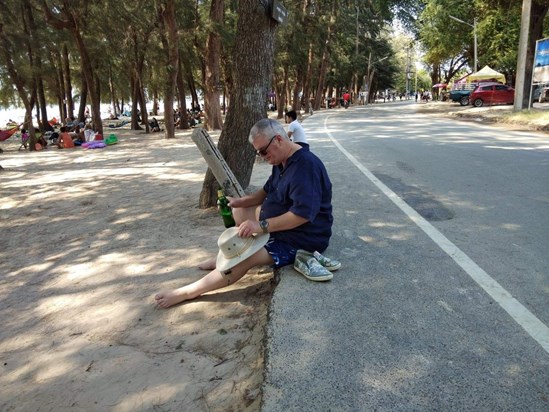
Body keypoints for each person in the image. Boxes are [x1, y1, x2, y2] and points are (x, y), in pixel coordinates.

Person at [154, 118, 334, 308]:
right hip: (280, 224)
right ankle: (222, 258)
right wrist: (240, 202)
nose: (262, 156)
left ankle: (187, 292)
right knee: (238, 212)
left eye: (263, 151)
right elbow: (266, 191)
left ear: (279, 139)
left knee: (247, 257)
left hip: (301, 237)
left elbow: (302, 216)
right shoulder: (282, 160)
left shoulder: (305, 167)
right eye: (258, 153)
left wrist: (260, 226)